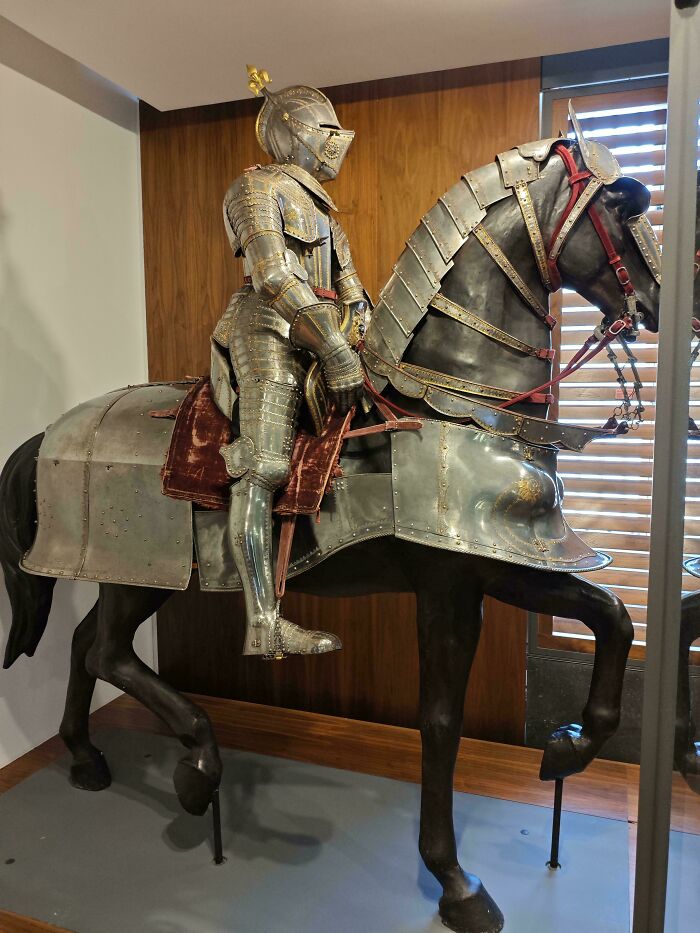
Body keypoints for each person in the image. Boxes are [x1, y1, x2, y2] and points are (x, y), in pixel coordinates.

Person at [210, 66, 368, 659]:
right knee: (264, 465)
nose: (336, 143)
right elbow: (274, 276)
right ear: (296, 132)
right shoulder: (254, 188)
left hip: (325, 332)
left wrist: (358, 338)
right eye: (327, 131)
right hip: (268, 328)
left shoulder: (326, 214)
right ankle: (263, 625)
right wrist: (333, 347)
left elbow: (352, 290)